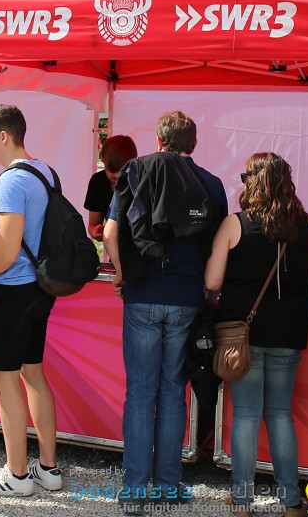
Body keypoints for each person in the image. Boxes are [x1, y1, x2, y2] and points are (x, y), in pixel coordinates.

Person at [101, 111, 225, 507]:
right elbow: (218, 245)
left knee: (139, 393)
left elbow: (110, 232)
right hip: (187, 298)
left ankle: (135, 492)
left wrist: (121, 273)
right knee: (173, 391)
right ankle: (168, 488)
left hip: (142, 293)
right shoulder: (212, 184)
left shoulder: (136, 171)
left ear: (158, 140)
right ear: (194, 143)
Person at [204, 152, 308, 516]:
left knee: (245, 415)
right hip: (289, 333)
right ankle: (291, 500)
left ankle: (242, 499)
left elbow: (212, 281)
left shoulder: (234, 224)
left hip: (243, 334)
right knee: (280, 414)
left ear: (252, 183)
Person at [0, 104, 63, 497]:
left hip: (13, 290)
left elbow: (5, 252)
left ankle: (17, 475)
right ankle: (49, 470)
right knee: (34, 375)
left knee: (7, 381)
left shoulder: (10, 181)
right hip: (40, 289)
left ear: (4, 136)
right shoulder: (46, 171)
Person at [85, 135, 137, 242]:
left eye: (123, 170)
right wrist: (96, 231)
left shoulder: (141, 181)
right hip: (115, 247)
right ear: (103, 160)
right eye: (112, 169)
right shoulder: (97, 181)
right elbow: (93, 224)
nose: (117, 175)